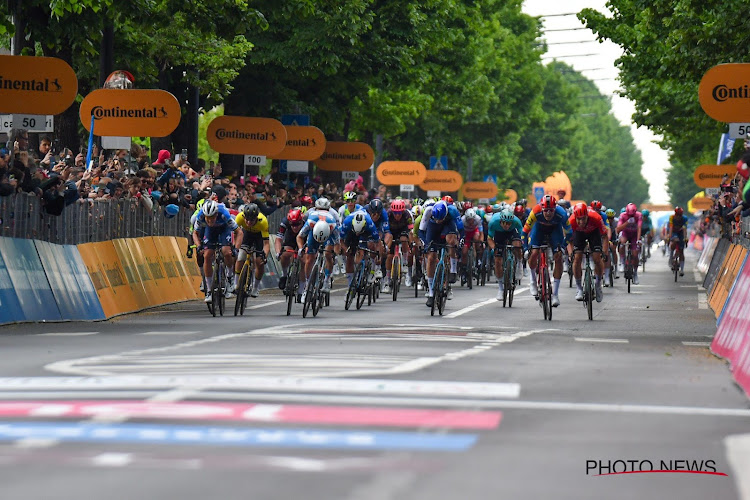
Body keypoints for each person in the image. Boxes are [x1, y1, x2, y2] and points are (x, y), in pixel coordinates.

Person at [523, 195, 571, 307]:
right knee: (534, 253)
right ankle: (533, 281)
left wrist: (563, 247)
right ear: (541, 209)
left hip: (555, 231)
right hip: (538, 230)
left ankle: (555, 294)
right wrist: (525, 249)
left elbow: (569, 234)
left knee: (558, 257)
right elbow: (524, 232)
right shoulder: (535, 211)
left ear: (555, 209)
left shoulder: (562, 214)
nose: (548, 213)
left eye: (551, 211)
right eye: (545, 211)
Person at [192, 200, 241, 303]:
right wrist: (199, 246)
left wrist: (236, 248)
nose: (210, 221)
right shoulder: (200, 216)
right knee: (207, 255)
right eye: (208, 218)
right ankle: (209, 290)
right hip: (210, 231)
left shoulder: (224, 214)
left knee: (226, 252)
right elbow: (195, 233)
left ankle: (230, 277)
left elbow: (239, 232)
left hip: (224, 228)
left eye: (213, 218)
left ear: (216, 214)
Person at [420, 200, 459, 308]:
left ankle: (452, 271)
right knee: (431, 257)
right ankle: (431, 293)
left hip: (447, 226)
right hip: (432, 230)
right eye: (436, 218)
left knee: (451, 242)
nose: (438, 221)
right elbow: (421, 231)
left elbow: (460, 228)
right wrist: (425, 245)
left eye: (440, 218)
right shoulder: (428, 211)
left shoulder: (452, 211)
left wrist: (460, 242)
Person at [569, 203, 607, 302]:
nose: (581, 222)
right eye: (579, 219)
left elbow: (605, 236)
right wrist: (570, 253)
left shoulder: (596, 217)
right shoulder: (571, 221)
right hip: (579, 234)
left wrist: (605, 252)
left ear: (587, 216)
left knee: (597, 259)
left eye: (583, 219)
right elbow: (568, 239)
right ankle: (579, 288)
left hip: (593, 233)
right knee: (577, 259)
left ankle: (598, 285)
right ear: (575, 217)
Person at [234, 202, 270, 298]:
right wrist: (234, 246)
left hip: (258, 236)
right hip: (246, 234)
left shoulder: (263, 221)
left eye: (252, 220)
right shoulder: (239, 217)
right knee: (241, 256)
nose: (249, 222)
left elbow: (266, 244)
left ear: (256, 218)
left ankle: (255, 288)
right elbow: (234, 234)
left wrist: (264, 256)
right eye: (247, 219)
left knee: (259, 262)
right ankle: (235, 283)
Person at [487, 209, 523, 301]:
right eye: (505, 223)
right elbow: (490, 238)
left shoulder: (516, 222)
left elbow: (522, 236)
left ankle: (519, 263)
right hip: (499, 233)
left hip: (512, 232)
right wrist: (495, 248)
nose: (507, 225)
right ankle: (500, 288)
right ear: (500, 221)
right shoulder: (493, 222)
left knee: (517, 245)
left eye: (509, 223)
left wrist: (521, 244)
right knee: (498, 261)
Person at [616, 203, 643, 284]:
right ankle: (622, 261)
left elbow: (639, 228)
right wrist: (627, 222)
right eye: (629, 215)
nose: (631, 216)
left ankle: (635, 273)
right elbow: (618, 229)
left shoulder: (638, 215)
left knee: (635, 254)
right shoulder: (623, 215)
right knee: (621, 243)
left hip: (635, 235)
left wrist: (638, 240)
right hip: (626, 233)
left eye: (632, 215)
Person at [667, 206, 688, 276]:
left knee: (681, 251)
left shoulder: (685, 219)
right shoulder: (671, 218)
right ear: (675, 214)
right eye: (677, 215)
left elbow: (685, 229)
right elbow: (670, 228)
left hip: (681, 232)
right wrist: (669, 237)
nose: (678, 217)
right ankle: (670, 257)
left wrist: (685, 238)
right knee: (675, 240)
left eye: (680, 216)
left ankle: (682, 269)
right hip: (674, 232)